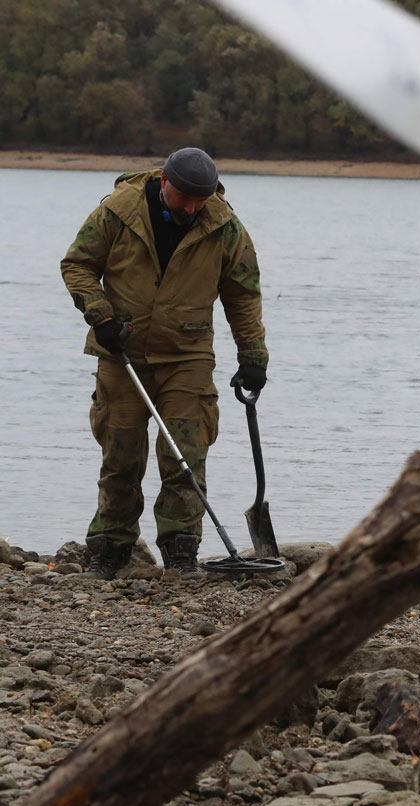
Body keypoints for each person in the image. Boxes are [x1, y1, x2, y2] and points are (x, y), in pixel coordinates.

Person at [60, 147, 269, 579]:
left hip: (188, 355)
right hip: (122, 351)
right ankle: (109, 551)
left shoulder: (224, 226)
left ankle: (181, 552)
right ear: (165, 183)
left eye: (200, 200)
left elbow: (243, 295)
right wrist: (100, 315)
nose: (192, 208)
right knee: (121, 456)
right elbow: (78, 264)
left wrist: (253, 356)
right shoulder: (119, 210)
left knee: (186, 455)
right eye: (185, 198)